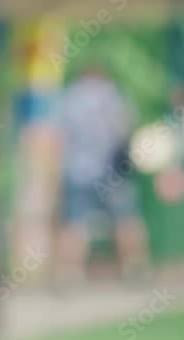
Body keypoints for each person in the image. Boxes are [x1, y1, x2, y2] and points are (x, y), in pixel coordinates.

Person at [55, 63, 151, 286]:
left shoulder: (70, 98)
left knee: (75, 223)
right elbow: (126, 130)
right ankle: (135, 268)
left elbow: (59, 137)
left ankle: (69, 275)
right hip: (113, 171)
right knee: (126, 219)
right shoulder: (114, 96)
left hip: (77, 170)